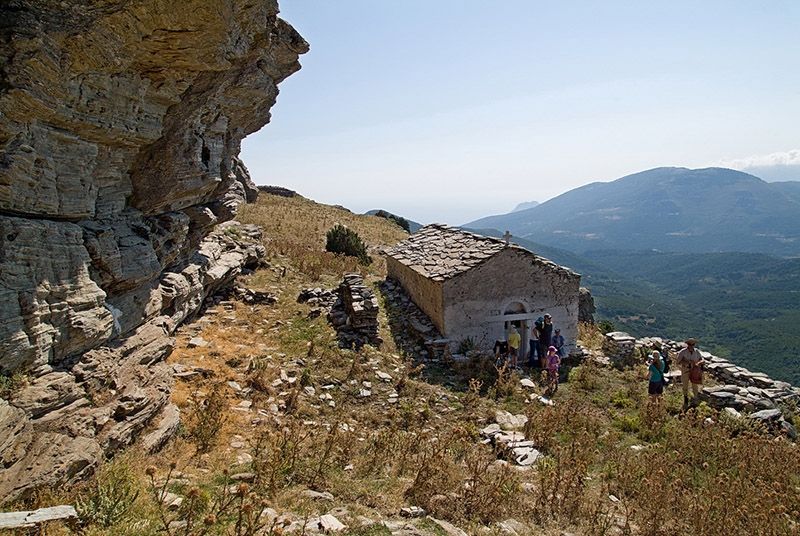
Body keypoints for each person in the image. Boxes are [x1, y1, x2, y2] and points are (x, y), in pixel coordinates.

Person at [675, 338, 704, 409]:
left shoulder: (697, 352)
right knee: (685, 385)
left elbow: (702, 359)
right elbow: (678, 361)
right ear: (687, 344)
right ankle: (685, 398)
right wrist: (686, 362)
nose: (691, 346)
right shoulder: (682, 352)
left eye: (693, 344)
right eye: (690, 344)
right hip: (685, 370)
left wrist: (698, 363)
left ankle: (695, 398)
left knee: (695, 385)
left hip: (694, 371)